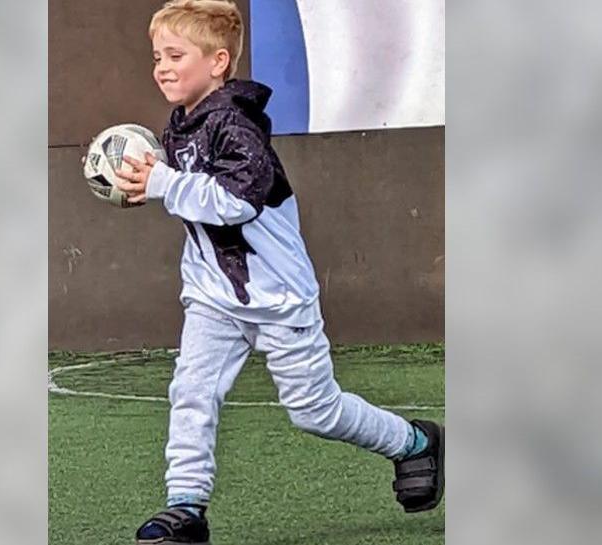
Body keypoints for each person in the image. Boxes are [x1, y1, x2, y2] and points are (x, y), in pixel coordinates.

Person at [113, 1, 443, 543]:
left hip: (278, 297)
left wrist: (163, 185)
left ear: (219, 62)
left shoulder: (238, 125)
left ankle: (415, 443)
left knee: (315, 410)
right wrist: (147, 183)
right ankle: (185, 509)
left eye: (176, 55)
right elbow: (191, 198)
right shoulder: (178, 128)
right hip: (212, 295)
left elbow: (238, 201)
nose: (162, 67)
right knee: (191, 391)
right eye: (157, 57)